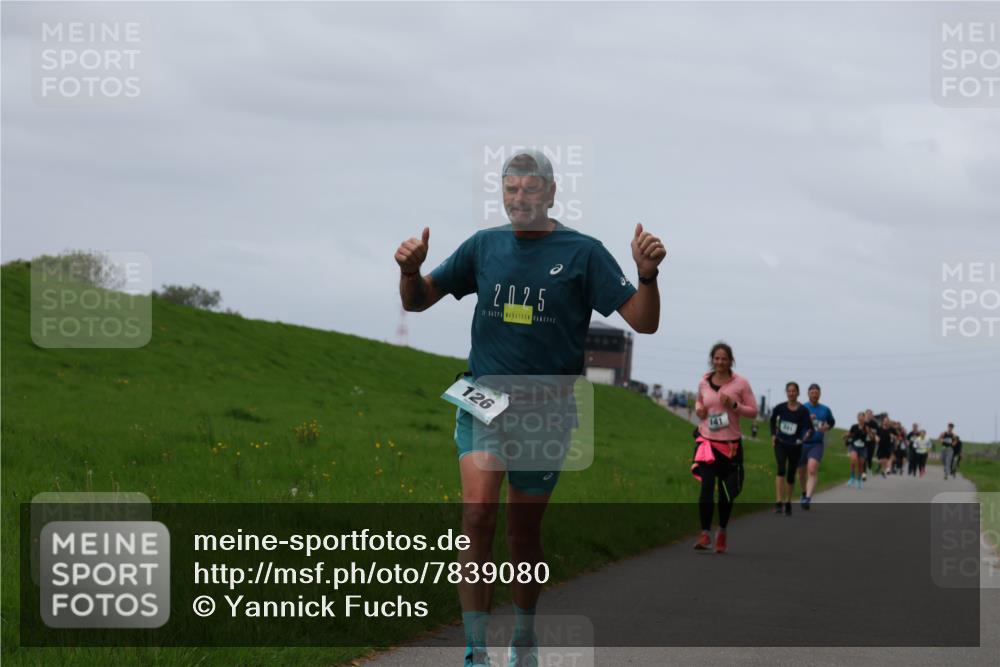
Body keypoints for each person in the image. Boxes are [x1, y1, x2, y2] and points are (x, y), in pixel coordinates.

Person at [395, 149, 666, 667]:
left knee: (523, 533)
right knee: (477, 516)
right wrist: (410, 271)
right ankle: (476, 649)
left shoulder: (583, 253)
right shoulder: (484, 246)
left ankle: (523, 634)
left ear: (550, 194)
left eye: (529, 190)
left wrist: (647, 276)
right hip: (484, 401)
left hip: (546, 411)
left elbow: (643, 322)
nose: (518, 199)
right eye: (510, 190)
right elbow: (417, 300)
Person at [692, 342, 758, 553]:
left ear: (731, 361)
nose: (720, 362)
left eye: (724, 358)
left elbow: (753, 412)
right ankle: (704, 534)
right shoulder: (704, 380)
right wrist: (700, 409)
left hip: (730, 446)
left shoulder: (741, 384)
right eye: (716, 358)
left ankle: (721, 531)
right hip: (707, 442)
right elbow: (699, 401)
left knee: (727, 494)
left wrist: (734, 406)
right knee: (706, 488)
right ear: (712, 359)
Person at [769, 382, 813, 514]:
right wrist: (773, 435)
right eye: (789, 391)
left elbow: (810, 428)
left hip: (795, 446)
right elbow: (772, 419)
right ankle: (778, 502)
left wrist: (807, 435)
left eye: (794, 391)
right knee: (781, 469)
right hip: (781, 443)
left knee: (790, 475)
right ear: (786, 392)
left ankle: (788, 501)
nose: (791, 393)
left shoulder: (803, 411)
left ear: (798, 393)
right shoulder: (780, 408)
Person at [797, 384, 835, 510]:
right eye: (812, 391)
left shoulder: (825, 409)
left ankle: (807, 498)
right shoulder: (802, 407)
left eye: (817, 392)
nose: (814, 393)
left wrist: (827, 427)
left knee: (812, 469)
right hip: (802, 443)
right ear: (808, 394)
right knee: (801, 472)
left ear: (820, 394)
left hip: (816, 444)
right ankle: (804, 492)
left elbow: (832, 421)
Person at [843, 412, 870, 489]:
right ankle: (852, 478)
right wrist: (845, 436)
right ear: (857, 418)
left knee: (861, 465)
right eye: (859, 417)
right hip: (854, 446)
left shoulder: (867, 427)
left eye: (862, 417)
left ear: (864, 418)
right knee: (853, 459)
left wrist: (869, 432)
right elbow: (850, 434)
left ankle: (859, 481)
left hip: (863, 447)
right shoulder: (854, 426)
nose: (861, 419)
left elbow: (871, 437)